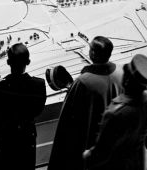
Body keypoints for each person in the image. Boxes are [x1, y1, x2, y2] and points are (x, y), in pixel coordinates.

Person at [48, 36, 122, 170]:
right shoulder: (121, 73)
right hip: (114, 146)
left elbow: (67, 122)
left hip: (88, 147)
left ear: (92, 53)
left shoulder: (83, 82)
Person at [83, 54, 147, 170]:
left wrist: (87, 155)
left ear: (127, 79)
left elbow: (101, 153)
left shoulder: (116, 112)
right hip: (137, 160)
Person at [0, 43, 47, 170]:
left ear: (8, 62)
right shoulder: (38, 85)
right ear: (28, 62)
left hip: (1, 144)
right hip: (25, 141)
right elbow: (37, 110)